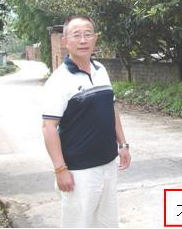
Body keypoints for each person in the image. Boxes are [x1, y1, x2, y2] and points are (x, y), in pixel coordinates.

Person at [42, 15, 131, 228]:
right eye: (76, 35)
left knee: (107, 223)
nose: (83, 40)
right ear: (65, 41)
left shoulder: (101, 70)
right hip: (79, 171)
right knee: (78, 224)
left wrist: (123, 144)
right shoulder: (59, 80)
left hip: (108, 163)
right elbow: (48, 127)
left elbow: (111, 109)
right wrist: (60, 169)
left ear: (95, 38)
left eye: (87, 34)